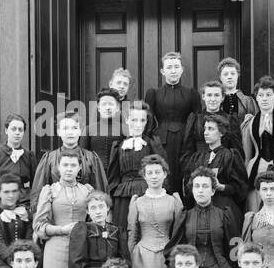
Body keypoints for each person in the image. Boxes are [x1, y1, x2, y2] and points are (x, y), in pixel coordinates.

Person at [128, 153, 185, 268]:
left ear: (165, 174)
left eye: (157, 172)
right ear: (144, 176)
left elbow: (178, 233)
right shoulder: (137, 202)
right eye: (150, 173)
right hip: (142, 256)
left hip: (166, 256)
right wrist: (130, 258)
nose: (154, 176)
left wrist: (175, 259)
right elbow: (132, 233)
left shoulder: (174, 201)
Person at [165, 168, 239, 268]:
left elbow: (235, 249)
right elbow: (174, 250)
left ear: (212, 191)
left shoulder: (224, 215)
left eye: (205, 186)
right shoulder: (185, 216)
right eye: (196, 186)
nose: (200, 190)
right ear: (192, 190)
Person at [33, 150, 92, 268]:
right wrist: (62, 229)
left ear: (80, 167)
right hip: (56, 248)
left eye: (73, 165)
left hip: (81, 247)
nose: (69, 169)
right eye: (65, 164)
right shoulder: (50, 190)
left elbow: (94, 220)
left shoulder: (87, 190)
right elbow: (39, 226)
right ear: (58, 167)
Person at [144, 51, 201, 188]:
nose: (173, 71)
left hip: (185, 140)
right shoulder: (154, 94)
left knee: (184, 173)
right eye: (169, 67)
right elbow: (148, 121)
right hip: (161, 141)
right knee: (164, 172)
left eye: (176, 67)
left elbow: (198, 119)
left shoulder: (191, 93)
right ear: (162, 71)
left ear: (182, 70)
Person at [106, 101, 165, 230]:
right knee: (123, 230)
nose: (138, 124)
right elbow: (113, 177)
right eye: (134, 119)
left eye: (142, 120)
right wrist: (110, 204)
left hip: (148, 193)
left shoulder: (152, 143)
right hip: (123, 195)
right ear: (127, 120)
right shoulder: (118, 146)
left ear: (146, 122)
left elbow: (163, 172)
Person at [67, 190, 126, 268]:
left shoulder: (117, 231)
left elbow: (123, 260)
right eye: (93, 208)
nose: (98, 211)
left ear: (108, 208)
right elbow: (76, 260)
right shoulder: (82, 229)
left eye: (101, 207)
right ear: (88, 211)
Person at [182, 112, 248, 216]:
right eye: (205, 128)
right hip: (199, 210)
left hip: (224, 210)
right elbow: (187, 188)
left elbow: (240, 189)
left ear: (221, 133)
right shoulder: (197, 157)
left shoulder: (231, 156)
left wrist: (221, 187)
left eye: (211, 129)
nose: (205, 133)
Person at [30, 112, 108, 195]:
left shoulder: (91, 158)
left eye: (74, 128)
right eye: (65, 128)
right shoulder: (49, 158)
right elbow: (38, 191)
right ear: (59, 132)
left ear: (80, 131)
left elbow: (100, 192)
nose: (70, 132)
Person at [240, 75, 274, 212]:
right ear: (256, 98)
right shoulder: (251, 122)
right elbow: (247, 154)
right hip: (256, 168)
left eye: (268, 95)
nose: (264, 98)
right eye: (261, 95)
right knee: (255, 207)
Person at [181, 81, 238, 161]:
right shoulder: (195, 119)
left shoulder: (230, 120)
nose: (213, 99)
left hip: (223, 164)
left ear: (222, 98)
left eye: (216, 95)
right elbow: (187, 149)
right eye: (209, 95)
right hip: (198, 164)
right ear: (203, 97)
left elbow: (236, 150)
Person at [84, 87, 125, 164]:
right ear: (99, 108)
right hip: (95, 173)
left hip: (118, 174)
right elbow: (83, 156)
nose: (107, 108)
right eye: (104, 104)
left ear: (117, 108)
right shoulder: (88, 129)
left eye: (111, 104)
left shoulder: (125, 129)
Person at [218, 57, 256, 127]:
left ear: (237, 75)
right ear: (220, 77)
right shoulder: (216, 100)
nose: (229, 77)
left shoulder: (248, 101)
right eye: (226, 74)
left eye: (233, 73)